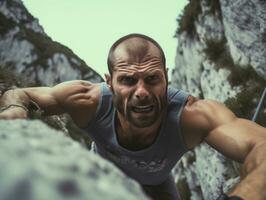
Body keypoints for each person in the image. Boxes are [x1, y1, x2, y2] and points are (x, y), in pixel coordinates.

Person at [0, 33, 266, 200]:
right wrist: (15, 111)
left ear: (166, 78)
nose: (142, 92)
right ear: (110, 82)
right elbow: (21, 94)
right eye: (128, 80)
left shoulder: (192, 116)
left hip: (158, 188)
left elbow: (261, 146)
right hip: (99, 177)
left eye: (152, 79)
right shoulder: (89, 101)